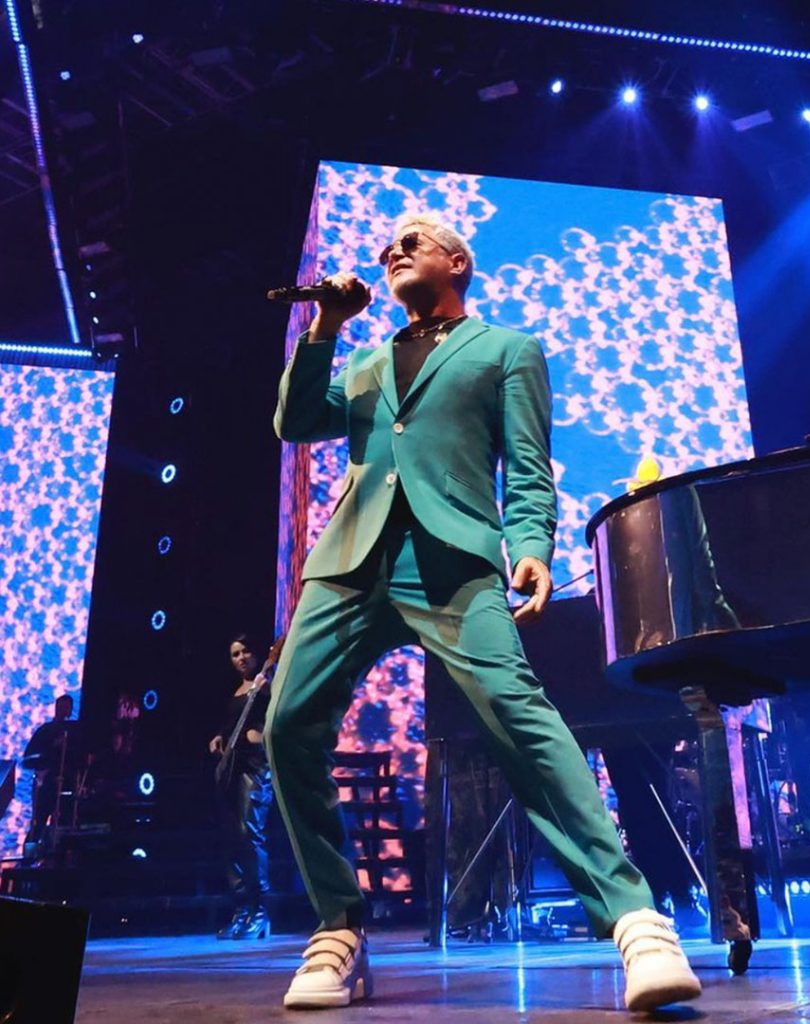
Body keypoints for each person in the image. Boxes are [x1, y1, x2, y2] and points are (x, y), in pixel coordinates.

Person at [266, 211, 702, 1011]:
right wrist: (324, 325)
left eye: (413, 241)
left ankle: (635, 918)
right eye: (387, 248)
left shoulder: (506, 349)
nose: (394, 251)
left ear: (458, 262)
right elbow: (294, 423)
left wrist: (532, 541)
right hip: (350, 562)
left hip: (453, 560)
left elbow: (527, 464)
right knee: (287, 723)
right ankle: (338, 927)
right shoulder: (361, 361)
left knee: (518, 714)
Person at [208, 633, 274, 939]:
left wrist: (258, 736)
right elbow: (231, 725)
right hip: (232, 769)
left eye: (246, 651)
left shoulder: (267, 685)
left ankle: (260, 910)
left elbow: (277, 722)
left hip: (256, 768)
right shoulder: (237, 690)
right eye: (235, 654)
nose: (241, 658)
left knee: (249, 834)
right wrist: (219, 737)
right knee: (231, 838)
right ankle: (241, 909)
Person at [22, 694, 82, 859]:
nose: (63, 710)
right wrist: (52, 747)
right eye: (60, 707)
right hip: (47, 784)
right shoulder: (45, 730)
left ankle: (60, 859)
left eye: (66, 707)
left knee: (65, 824)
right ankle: (28, 859)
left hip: (67, 783)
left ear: (70, 710)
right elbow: (29, 757)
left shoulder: (75, 731)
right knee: (39, 822)